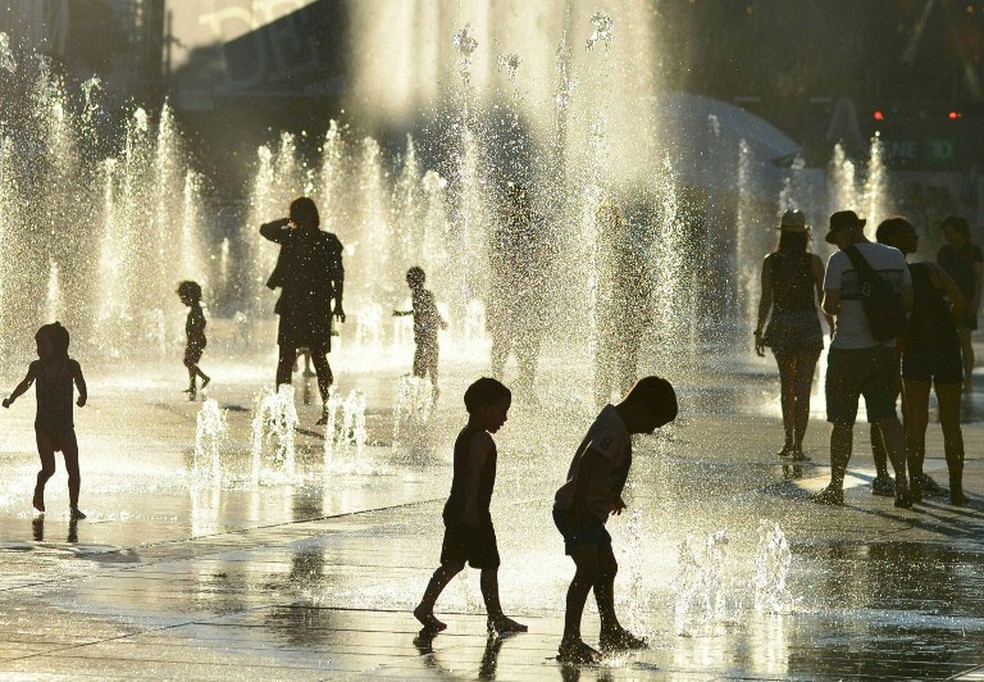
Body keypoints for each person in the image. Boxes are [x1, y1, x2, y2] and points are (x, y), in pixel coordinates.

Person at [553, 376, 678, 663]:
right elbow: (588, 461)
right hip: (577, 511)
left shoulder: (617, 424)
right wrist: (581, 503)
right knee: (588, 571)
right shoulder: (614, 427)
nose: (651, 431)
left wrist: (613, 494)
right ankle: (569, 640)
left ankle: (610, 629)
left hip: (587, 512)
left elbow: (606, 466)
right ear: (640, 408)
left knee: (607, 567)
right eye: (653, 423)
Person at [813, 210, 914, 509]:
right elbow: (908, 301)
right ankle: (903, 484)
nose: (836, 244)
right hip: (883, 351)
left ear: (849, 230)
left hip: (847, 352)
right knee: (887, 417)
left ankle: (836, 487)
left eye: (837, 236)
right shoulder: (895, 256)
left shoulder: (840, 261)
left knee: (842, 422)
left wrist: (840, 301)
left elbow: (830, 306)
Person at [413, 378, 527, 636]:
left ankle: (426, 606)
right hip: (472, 510)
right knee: (489, 563)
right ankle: (496, 617)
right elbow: (473, 475)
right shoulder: (481, 440)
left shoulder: (466, 435)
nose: (504, 418)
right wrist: (472, 511)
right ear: (484, 409)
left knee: (453, 563)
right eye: (501, 411)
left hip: (459, 506)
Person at [877, 217, 967, 505]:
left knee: (915, 422)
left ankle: (914, 488)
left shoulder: (885, 276)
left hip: (914, 349)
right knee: (951, 423)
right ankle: (956, 490)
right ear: (894, 239)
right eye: (909, 232)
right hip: (946, 349)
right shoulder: (930, 270)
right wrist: (945, 327)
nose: (916, 234)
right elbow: (961, 304)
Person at [754, 210, 831, 460]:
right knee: (804, 389)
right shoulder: (814, 262)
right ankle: (799, 445)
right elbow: (823, 299)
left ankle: (788, 440)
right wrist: (834, 326)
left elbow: (767, 298)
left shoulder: (771, 261)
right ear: (805, 234)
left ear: (783, 234)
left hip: (782, 326)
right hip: (808, 326)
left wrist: (759, 330)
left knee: (787, 387)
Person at [261, 197, 345, 424]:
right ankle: (327, 409)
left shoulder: (292, 236)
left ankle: (283, 410)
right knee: (318, 357)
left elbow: (266, 229)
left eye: (294, 213)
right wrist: (338, 303)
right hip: (315, 306)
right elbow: (338, 276)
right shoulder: (327, 240)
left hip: (295, 305)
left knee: (287, 358)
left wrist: (288, 221)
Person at [3, 322, 88, 519]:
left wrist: (83, 396)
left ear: (57, 346)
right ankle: (39, 490)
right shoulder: (37, 367)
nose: (38, 349)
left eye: (42, 345)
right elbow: (25, 384)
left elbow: (81, 383)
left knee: (73, 469)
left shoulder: (72, 366)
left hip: (66, 427)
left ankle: (74, 507)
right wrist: (11, 398)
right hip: (44, 428)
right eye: (37, 345)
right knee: (49, 468)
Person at [487, 184, 551, 400]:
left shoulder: (514, 232)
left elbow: (545, 261)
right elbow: (496, 262)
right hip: (512, 296)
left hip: (518, 297)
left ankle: (520, 386)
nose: (519, 208)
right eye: (517, 204)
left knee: (520, 343)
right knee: (508, 343)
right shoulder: (509, 232)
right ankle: (505, 386)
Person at [593, 198, 653, 406]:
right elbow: (646, 285)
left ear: (617, 225)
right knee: (608, 365)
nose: (603, 227)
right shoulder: (598, 253)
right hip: (612, 318)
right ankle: (605, 408)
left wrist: (644, 314)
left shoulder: (626, 253)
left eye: (607, 222)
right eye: (601, 222)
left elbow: (644, 284)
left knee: (622, 366)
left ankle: (621, 410)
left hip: (625, 318)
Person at [936, 215, 983, 392]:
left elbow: (978, 279)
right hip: (947, 301)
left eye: (951, 233)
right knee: (947, 341)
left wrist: (976, 301)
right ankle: (951, 377)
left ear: (961, 232)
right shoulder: (944, 252)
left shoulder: (973, 251)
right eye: (946, 234)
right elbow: (939, 277)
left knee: (964, 340)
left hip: (967, 300)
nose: (948, 237)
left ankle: (968, 380)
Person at [393, 266, 447, 402]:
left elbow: (431, 311)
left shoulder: (422, 294)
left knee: (422, 364)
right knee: (428, 363)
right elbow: (421, 310)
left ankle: (428, 391)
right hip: (426, 335)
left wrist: (440, 322)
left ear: (414, 281)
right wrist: (403, 313)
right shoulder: (420, 294)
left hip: (426, 334)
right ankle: (430, 390)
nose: (408, 283)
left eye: (409, 280)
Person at [176, 281, 210, 401]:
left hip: (197, 340)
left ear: (191, 297)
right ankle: (192, 387)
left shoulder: (196, 310)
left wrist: (195, 337)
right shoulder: (195, 309)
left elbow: (202, 322)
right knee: (190, 363)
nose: (182, 301)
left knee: (189, 362)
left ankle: (204, 378)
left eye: (184, 298)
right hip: (195, 340)